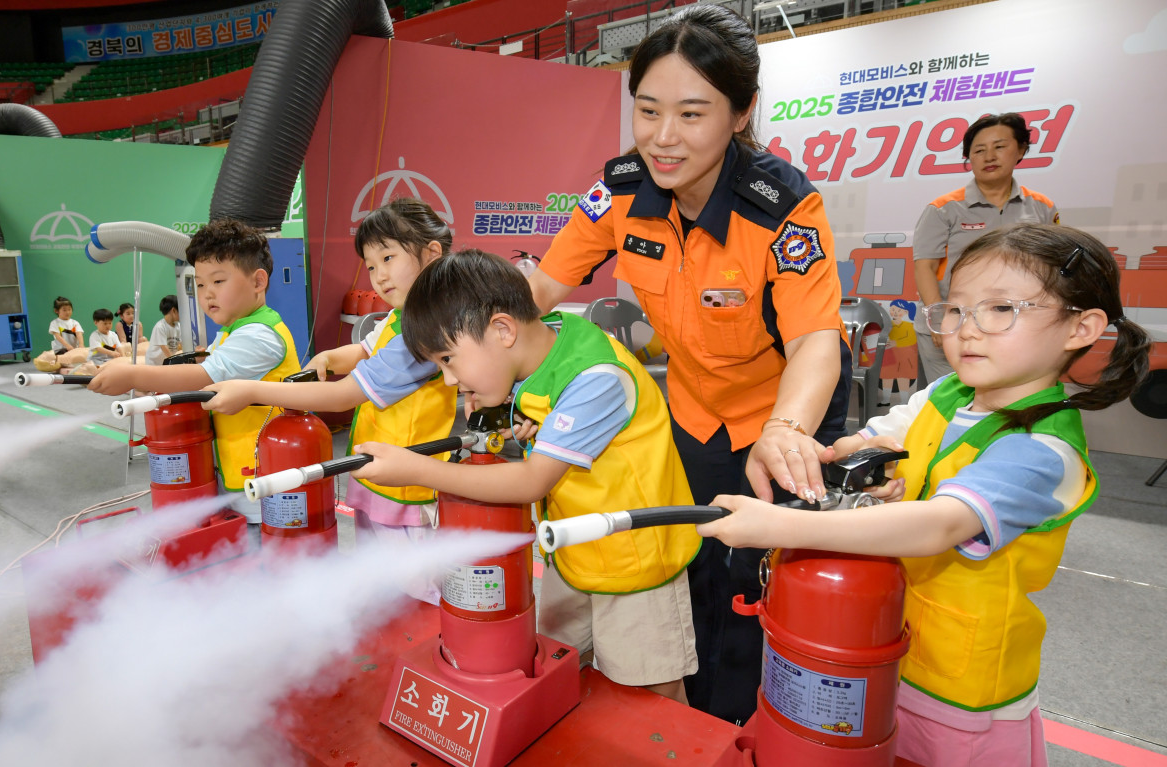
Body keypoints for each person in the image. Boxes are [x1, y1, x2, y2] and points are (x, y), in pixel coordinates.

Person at [697, 223, 1151, 767]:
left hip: (960, 691)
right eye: (955, 310)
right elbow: (882, 433)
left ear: (1082, 327)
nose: (967, 330)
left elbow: (940, 524)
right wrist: (840, 451)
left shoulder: (1042, 450)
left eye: (1000, 309)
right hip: (888, 646)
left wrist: (779, 526)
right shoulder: (950, 392)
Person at [525, 3, 850, 723]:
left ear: (742, 112)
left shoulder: (783, 206)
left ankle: (747, 726)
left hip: (785, 413)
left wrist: (787, 430)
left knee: (761, 577)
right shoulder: (619, 190)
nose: (663, 137)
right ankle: (691, 720)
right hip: (695, 410)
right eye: (647, 110)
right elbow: (540, 289)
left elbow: (814, 343)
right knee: (691, 556)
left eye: (692, 114)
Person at [352, 250, 701, 704]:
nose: (449, 380)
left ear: (503, 330)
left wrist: (417, 469)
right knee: (556, 663)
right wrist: (522, 414)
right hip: (572, 551)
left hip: (638, 561)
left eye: (449, 359)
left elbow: (533, 481)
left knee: (650, 692)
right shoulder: (542, 345)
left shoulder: (595, 377)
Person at [201, 199, 469, 603]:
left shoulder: (426, 332)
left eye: (388, 258)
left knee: (414, 591)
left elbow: (345, 394)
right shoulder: (398, 317)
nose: (379, 276)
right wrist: (329, 357)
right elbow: (364, 350)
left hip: (407, 486)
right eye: (371, 266)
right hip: (373, 472)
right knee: (378, 582)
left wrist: (252, 390)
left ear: (431, 254)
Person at [88, 218, 302, 509]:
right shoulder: (234, 329)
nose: (207, 293)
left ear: (257, 282)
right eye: (200, 284)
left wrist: (133, 375)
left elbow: (204, 376)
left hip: (264, 473)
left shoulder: (259, 335)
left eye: (218, 281)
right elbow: (206, 366)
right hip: (244, 463)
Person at [913, 112, 1060, 383]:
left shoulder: (1042, 207)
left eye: (1000, 147)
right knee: (953, 397)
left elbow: (1051, 268)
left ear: (1021, 150)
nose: (989, 157)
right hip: (955, 324)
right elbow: (925, 267)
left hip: (1014, 327)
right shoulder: (944, 209)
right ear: (969, 158)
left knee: (1007, 395)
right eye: (979, 150)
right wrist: (939, 320)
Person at [145, 295, 182, 366]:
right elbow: (164, 348)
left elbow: (183, 344)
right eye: (181, 311)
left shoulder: (178, 326)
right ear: (174, 310)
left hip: (166, 362)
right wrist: (174, 362)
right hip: (154, 363)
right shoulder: (160, 327)